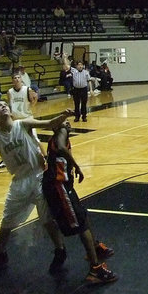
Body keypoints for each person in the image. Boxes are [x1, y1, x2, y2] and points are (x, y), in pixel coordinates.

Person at [0, 103, 73, 275]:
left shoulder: (24, 124)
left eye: (4, 105)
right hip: (19, 182)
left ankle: (60, 250)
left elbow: (49, 123)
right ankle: (1, 253)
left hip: (39, 176)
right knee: (7, 220)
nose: (4, 107)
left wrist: (64, 115)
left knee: (46, 218)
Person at [41, 120, 118, 284]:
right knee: (81, 224)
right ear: (56, 127)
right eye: (63, 122)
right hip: (58, 187)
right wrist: (77, 165)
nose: (67, 124)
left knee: (83, 215)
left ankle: (95, 247)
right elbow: (61, 147)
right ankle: (95, 269)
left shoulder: (59, 134)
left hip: (62, 185)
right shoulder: (61, 133)